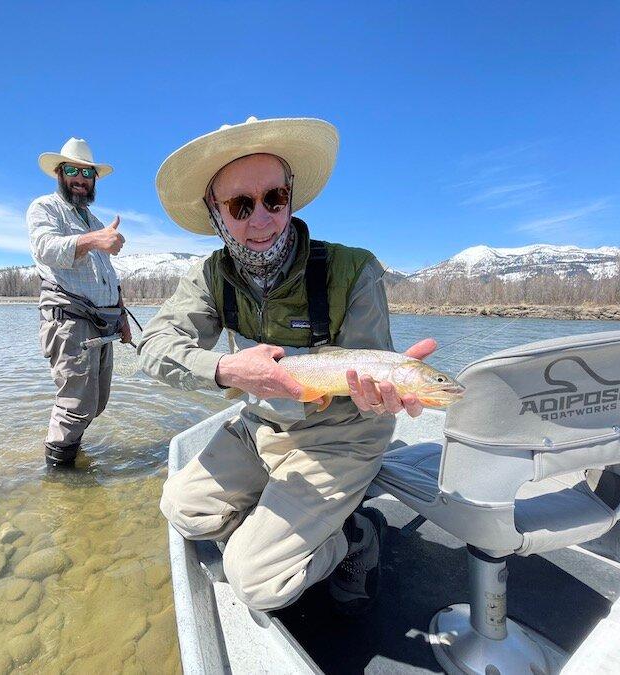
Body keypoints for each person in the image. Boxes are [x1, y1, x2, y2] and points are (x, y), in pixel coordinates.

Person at [138, 117, 436, 613]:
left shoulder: (353, 270)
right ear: (216, 213)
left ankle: (349, 538)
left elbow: (372, 380)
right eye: (239, 205)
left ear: (290, 196)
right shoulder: (210, 277)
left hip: (338, 437)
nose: (261, 220)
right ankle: (297, 526)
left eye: (273, 198)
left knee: (253, 581)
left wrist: (385, 394)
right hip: (261, 428)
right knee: (183, 509)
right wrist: (228, 370)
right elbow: (154, 346)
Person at [28, 137, 132, 468]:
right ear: (59, 172)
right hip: (69, 320)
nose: (80, 178)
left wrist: (123, 318)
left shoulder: (95, 222)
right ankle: (59, 476)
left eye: (87, 173)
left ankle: (70, 448)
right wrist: (94, 240)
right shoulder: (44, 208)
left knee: (96, 401)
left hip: (103, 322)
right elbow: (46, 248)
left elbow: (107, 275)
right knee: (75, 402)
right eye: (72, 170)